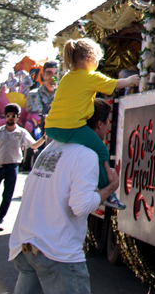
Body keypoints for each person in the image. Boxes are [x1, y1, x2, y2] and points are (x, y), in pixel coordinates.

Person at [9, 99, 119, 294]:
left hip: (26, 244)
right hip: (56, 251)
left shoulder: (51, 148)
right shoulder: (87, 155)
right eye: (108, 121)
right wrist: (111, 188)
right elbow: (81, 206)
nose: (108, 126)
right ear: (100, 124)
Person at [47, 38, 139, 210]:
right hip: (71, 127)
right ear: (90, 59)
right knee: (101, 151)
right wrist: (131, 80)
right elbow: (115, 85)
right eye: (98, 60)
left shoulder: (67, 77)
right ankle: (107, 192)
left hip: (51, 128)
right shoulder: (90, 76)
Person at [0, 103, 46, 231]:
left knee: (7, 196)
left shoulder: (22, 133)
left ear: (17, 117)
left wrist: (44, 137)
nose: (10, 118)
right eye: (8, 116)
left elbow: (33, 146)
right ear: (5, 116)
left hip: (12, 168)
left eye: (13, 116)